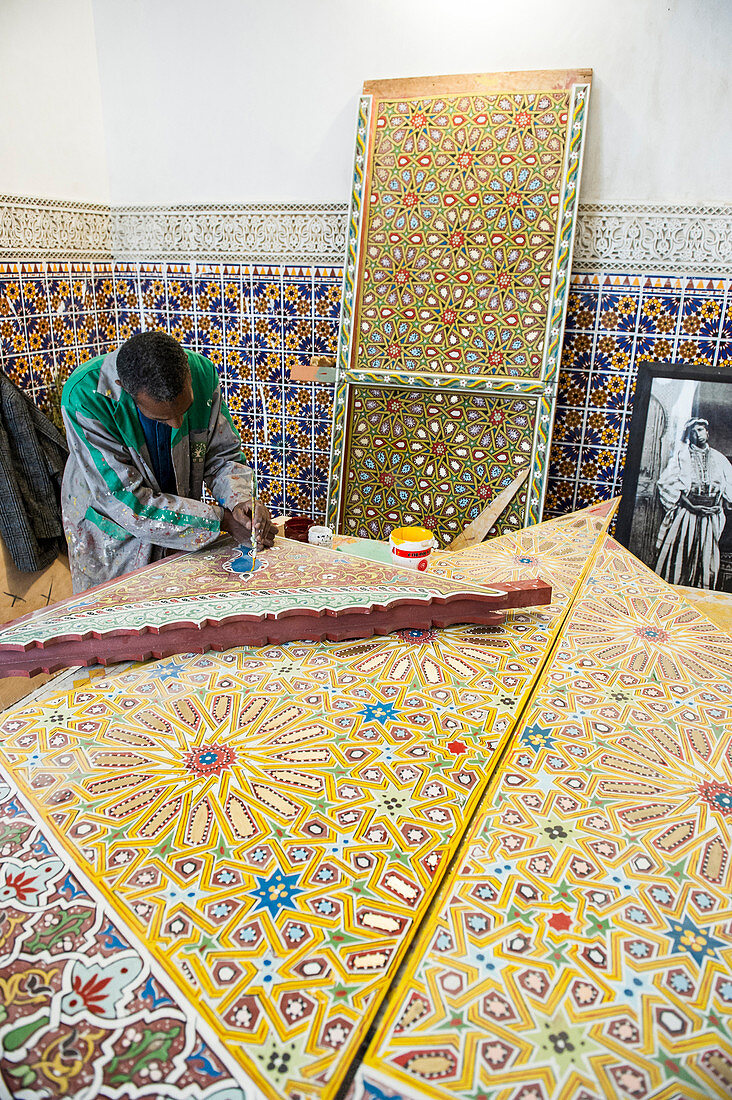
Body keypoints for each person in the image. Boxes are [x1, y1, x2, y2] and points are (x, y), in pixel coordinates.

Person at [61, 331, 275, 592]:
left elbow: (221, 455)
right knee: (120, 620)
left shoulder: (202, 374)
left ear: (188, 375)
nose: (177, 425)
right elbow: (129, 503)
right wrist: (221, 520)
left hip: (177, 525)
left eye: (185, 410)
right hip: (114, 537)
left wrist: (240, 501)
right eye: (162, 419)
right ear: (125, 389)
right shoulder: (86, 398)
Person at [655, 416, 732, 589]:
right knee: (682, 552)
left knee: (706, 557)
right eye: (693, 431)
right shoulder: (682, 457)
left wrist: (718, 505)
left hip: (710, 517)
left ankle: (701, 592)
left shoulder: (719, 459)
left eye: (700, 430)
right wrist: (691, 506)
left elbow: (729, 488)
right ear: (689, 435)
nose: (697, 434)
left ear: (707, 432)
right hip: (688, 514)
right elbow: (668, 484)